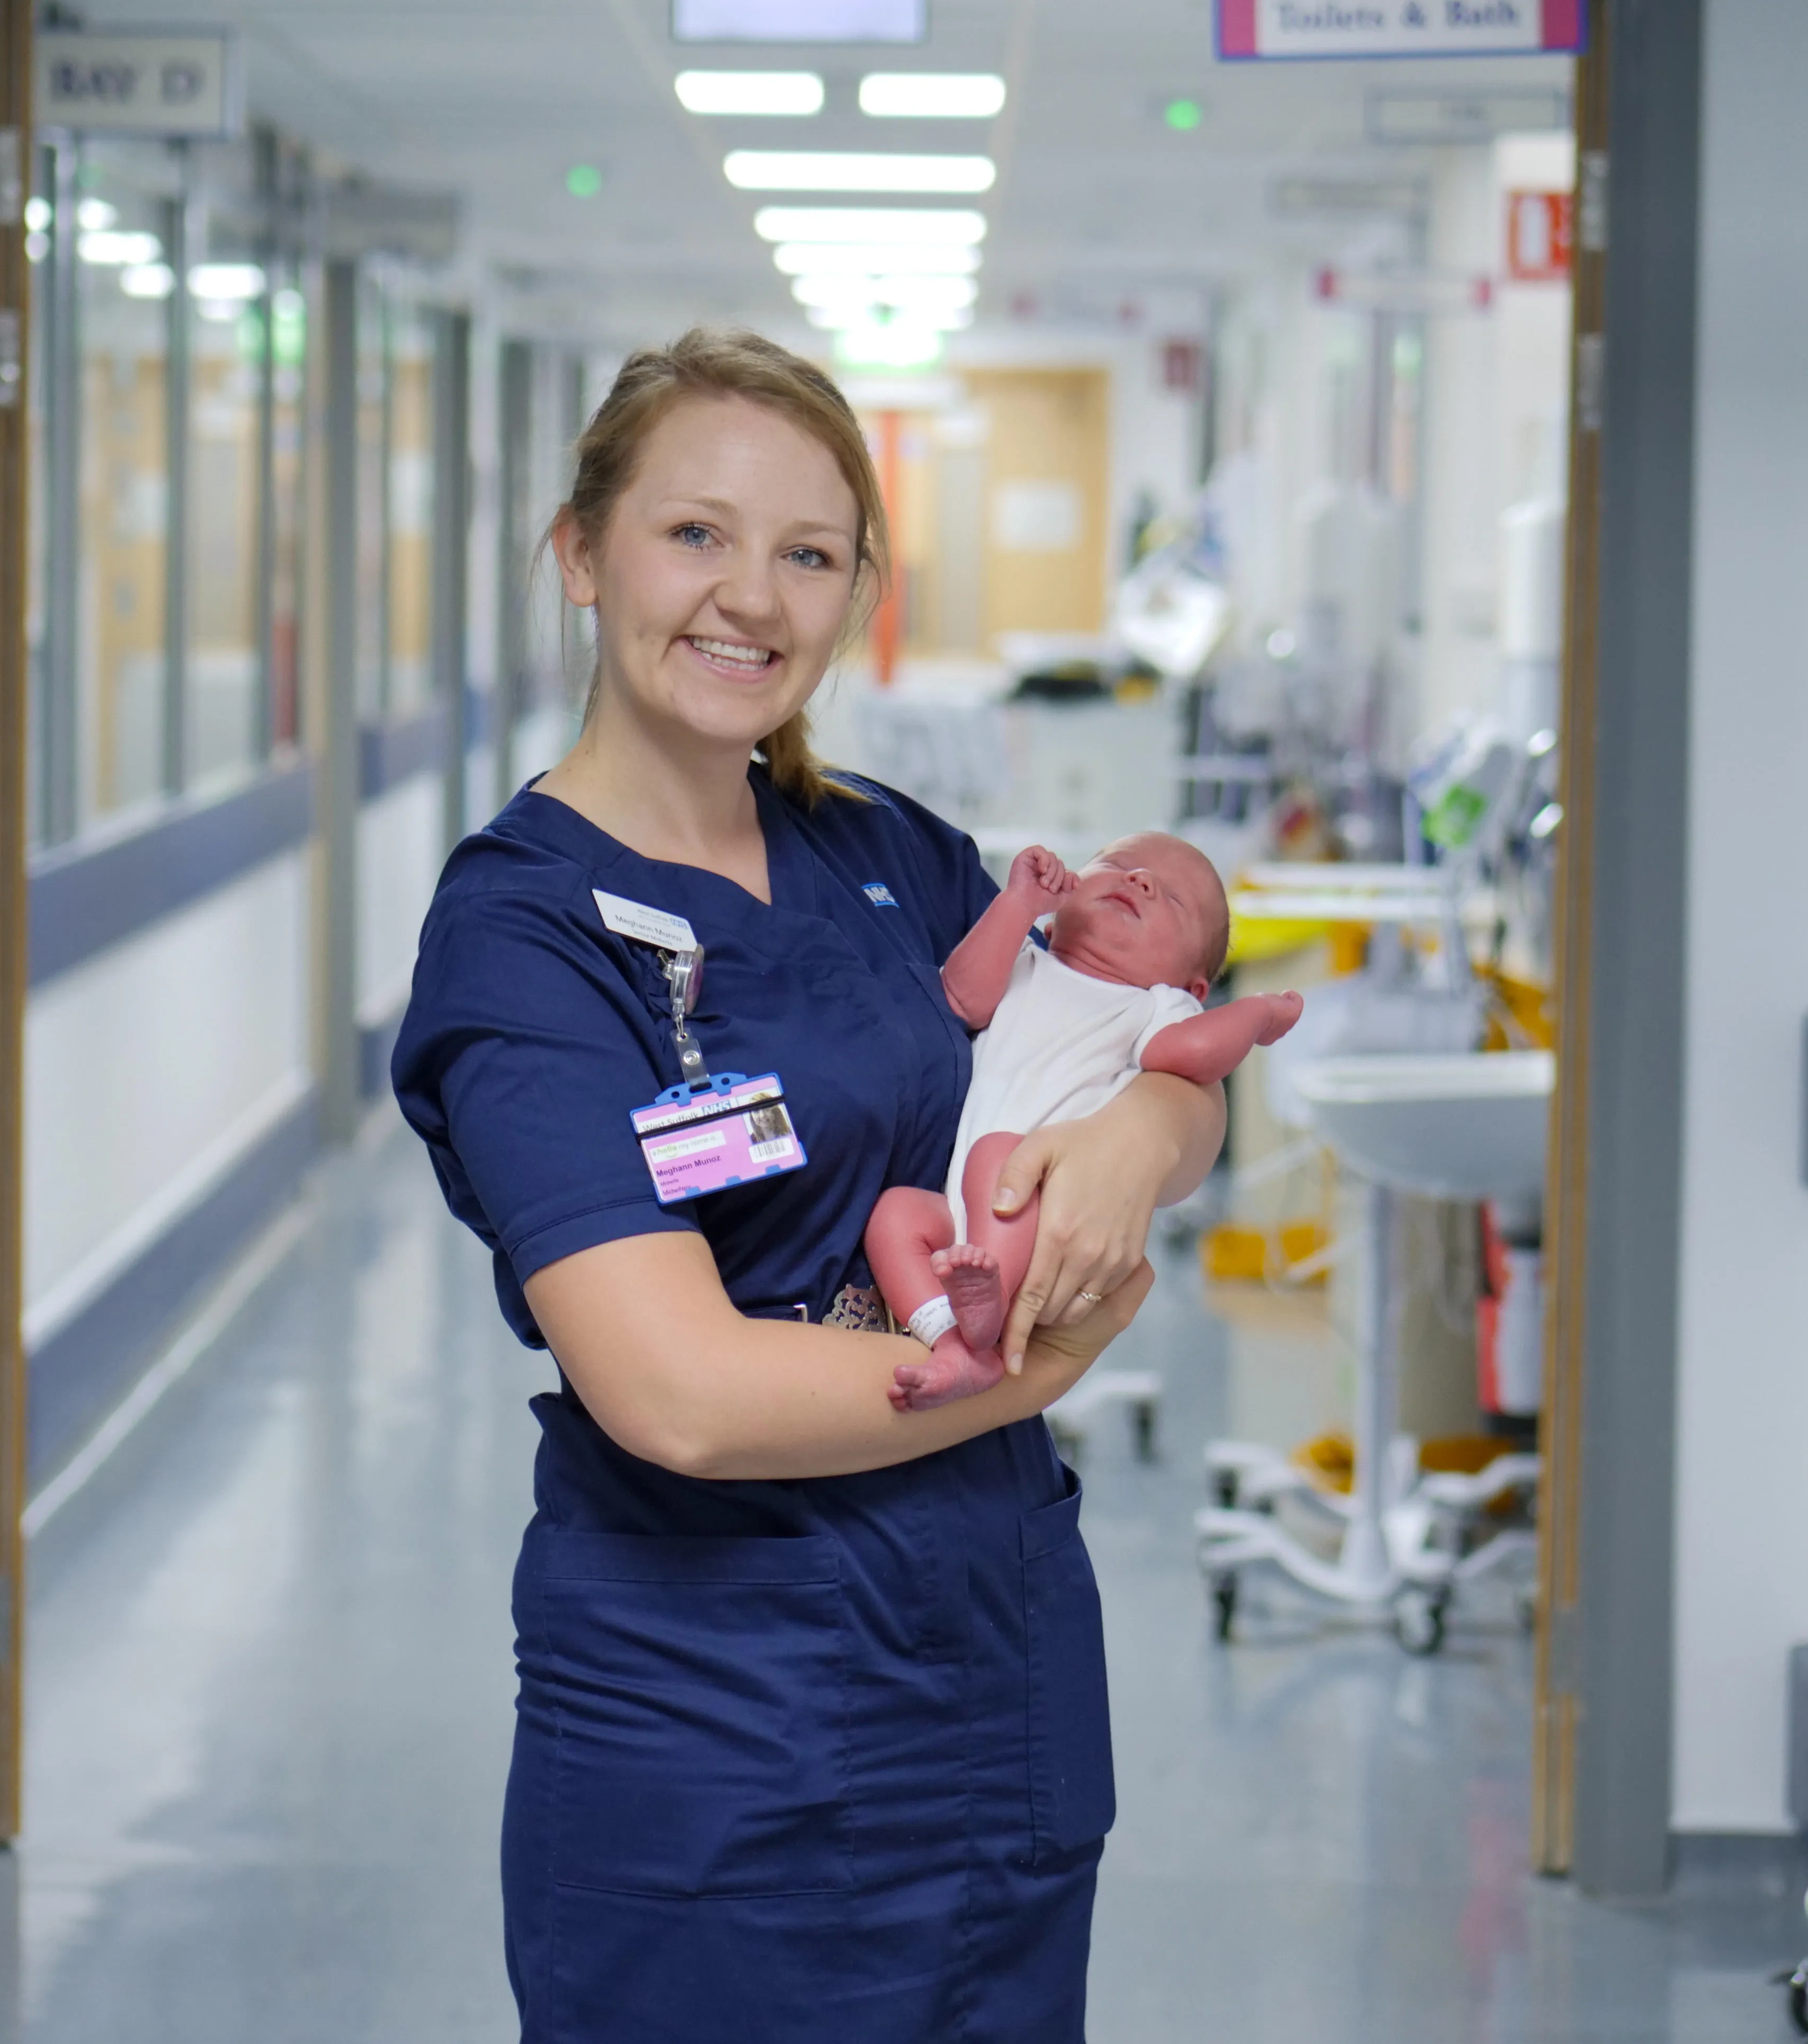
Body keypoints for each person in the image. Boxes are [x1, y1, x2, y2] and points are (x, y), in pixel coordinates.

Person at [389, 328, 1227, 2044]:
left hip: (986, 1680)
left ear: (856, 590)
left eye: (808, 551)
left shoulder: (885, 857)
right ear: (579, 550)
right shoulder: (524, 938)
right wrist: (1036, 1367)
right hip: (715, 1731)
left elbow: (1132, 1034)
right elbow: (680, 1391)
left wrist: (1149, 1134)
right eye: (693, 532)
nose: (749, 596)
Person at [869, 835, 1302, 1411]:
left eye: (1173, 899)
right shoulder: (1026, 963)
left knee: (1001, 1156)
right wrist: (1019, 904)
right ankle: (953, 1342)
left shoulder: (1154, 1007)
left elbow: (1193, 1057)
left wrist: (1256, 1014)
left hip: (1044, 1199)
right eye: (1118, 867)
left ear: (1191, 989)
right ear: (1055, 921)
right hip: (956, 1216)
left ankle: (988, 1308)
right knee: (896, 1213)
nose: (1141, 880)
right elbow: (962, 996)